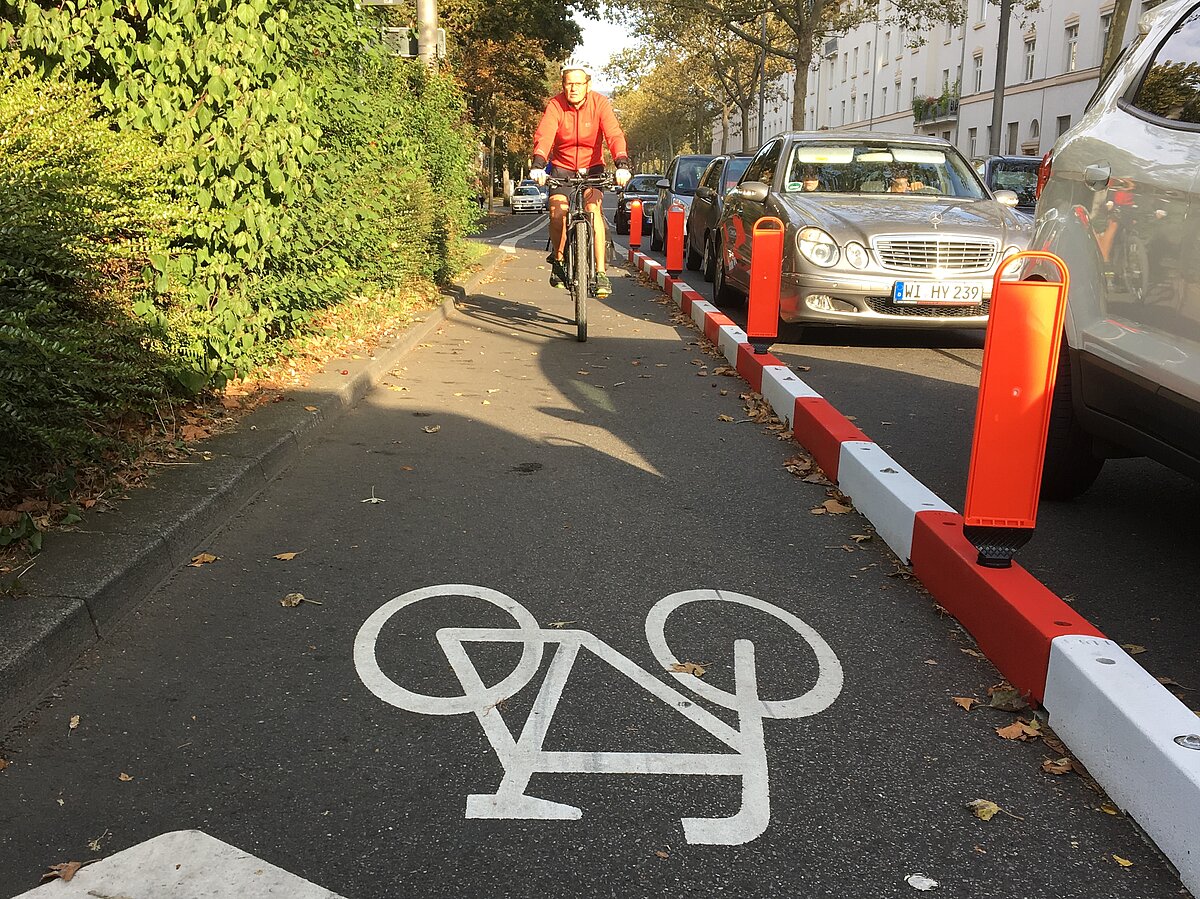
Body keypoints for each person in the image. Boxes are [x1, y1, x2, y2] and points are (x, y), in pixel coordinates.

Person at [530, 63, 632, 298]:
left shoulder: (600, 104)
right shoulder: (556, 105)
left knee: (592, 210)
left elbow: (613, 134)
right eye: (569, 84)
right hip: (562, 168)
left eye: (578, 83)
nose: (573, 88)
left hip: (592, 168)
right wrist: (538, 163)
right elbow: (545, 134)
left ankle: (600, 272)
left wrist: (622, 164)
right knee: (557, 213)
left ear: (588, 85)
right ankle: (558, 259)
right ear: (563, 85)